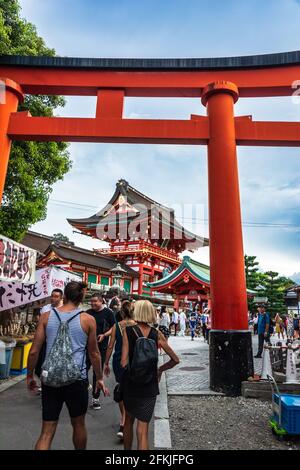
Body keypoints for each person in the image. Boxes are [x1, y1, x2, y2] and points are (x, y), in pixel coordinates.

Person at [26, 281, 109, 450]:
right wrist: (99, 377)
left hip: (50, 378)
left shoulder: (46, 317)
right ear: (82, 297)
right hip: (77, 379)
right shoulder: (88, 319)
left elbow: (34, 350)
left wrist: (30, 376)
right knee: (78, 425)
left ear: (64, 296)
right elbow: (94, 354)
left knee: (46, 431)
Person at [121, 300, 179, 450]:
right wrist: (159, 370)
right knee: (143, 429)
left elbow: (123, 362)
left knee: (128, 421)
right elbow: (175, 360)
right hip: (150, 385)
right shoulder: (156, 333)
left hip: (131, 384)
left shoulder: (128, 331)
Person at [104, 300, 136, 440]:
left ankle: (124, 419)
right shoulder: (138, 325)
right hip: (135, 361)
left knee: (121, 388)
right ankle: (128, 419)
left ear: (121, 313)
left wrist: (106, 363)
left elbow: (110, 346)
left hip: (118, 361)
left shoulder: (116, 326)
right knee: (131, 390)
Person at [86, 293, 115, 410]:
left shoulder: (108, 313)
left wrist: (104, 335)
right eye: (91, 301)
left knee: (97, 372)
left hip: (101, 347)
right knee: (83, 368)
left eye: (95, 301)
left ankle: (95, 398)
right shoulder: (88, 312)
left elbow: (114, 327)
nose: (92, 303)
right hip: (87, 346)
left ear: (101, 301)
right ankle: (85, 386)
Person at [35, 289, 64, 380]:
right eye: (52, 296)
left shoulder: (64, 309)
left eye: (56, 296)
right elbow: (40, 323)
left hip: (58, 342)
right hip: (45, 341)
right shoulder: (45, 308)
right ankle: (44, 383)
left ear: (61, 298)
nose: (53, 298)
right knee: (42, 364)